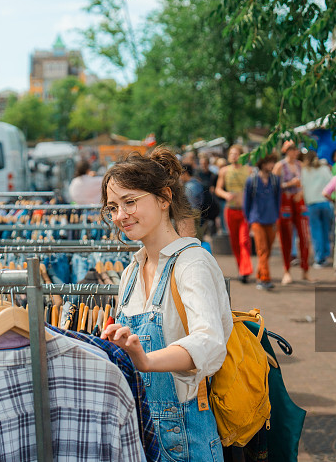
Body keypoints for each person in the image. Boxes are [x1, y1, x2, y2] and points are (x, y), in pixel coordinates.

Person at [100, 147, 232, 462]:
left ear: (164, 198)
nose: (120, 216)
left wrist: (145, 360)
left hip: (185, 441)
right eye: (113, 207)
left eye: (130, 202)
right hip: (139, 438)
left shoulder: (192, 262)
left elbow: (209, 342)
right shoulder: (131, 271)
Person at [273, 140, 312, 285]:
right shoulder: (280, 166)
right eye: (291, 149)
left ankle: (305, 271)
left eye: (296, 150)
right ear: (286, 151)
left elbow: (305, 183)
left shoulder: (300, 165)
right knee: (286, 237)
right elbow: (275, 187)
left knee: (304, 236)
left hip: (298, 202)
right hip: (285, 203)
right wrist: (290, 184)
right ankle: (286, 271)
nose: (294, 152)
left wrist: (301, 192)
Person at [215, 144, 254, 283]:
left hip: (244, 211)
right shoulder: (224, 171)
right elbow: (218, 189)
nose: (233, 156)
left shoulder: (249, 170)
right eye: (231, 153)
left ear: (242, 155)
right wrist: (226, 195)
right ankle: (241, 269)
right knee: (235, 243)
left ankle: (245, 270)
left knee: (244, 240)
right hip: (230, 210)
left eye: (236, 153)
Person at [243, 152, 281, 290]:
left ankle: (260, 276)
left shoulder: (276, 180)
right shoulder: (251, 180)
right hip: (256, 219)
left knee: (267, 251)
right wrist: (248, 220)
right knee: (262, 250)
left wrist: (277, 218)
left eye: (273, 162)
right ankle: (265, 279)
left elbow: (278, 201)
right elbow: (246, 202)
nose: (272, 165)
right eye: (269, 162)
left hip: (271, 219)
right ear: (262, 164)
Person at [301, 152, 334, 267]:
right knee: (326, 230)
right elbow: (331, 182)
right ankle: (325, 254)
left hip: (312, 204)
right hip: (325, 202)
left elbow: (302, 187)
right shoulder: (324, 169)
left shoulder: (304, 171)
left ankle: (319, 257)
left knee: (316, 232)